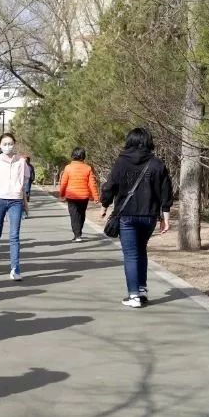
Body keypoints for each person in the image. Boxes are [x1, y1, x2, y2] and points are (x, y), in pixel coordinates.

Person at [100, 127, 173, 308]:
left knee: (131, 254)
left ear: (130, 141)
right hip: (149, 216)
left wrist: (105, 204)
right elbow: (166, 192)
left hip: (127, 216)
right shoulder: (157, 164)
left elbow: (110, 186)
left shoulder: (121, 162)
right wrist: (166, 217)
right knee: (141, 250)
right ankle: (141, 290)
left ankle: (134, 296)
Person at [0, 133, 30, 281]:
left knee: (14, 235)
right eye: (5, 144)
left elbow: (24, 183)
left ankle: (15, 268)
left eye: (10, 143)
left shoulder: (21, 162)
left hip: (15, 200)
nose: (8, 146)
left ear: (14, 144)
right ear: (0, 145)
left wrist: (25, 202)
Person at [59, 147, 100, 242]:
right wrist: (96, 197)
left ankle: (77, 235)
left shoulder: (68, 168)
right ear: (83, 156)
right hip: (84, 196)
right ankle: (79, 233)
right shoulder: (88, 168)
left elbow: (63, 183)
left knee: (74, 215)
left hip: (71, 196)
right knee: (81, 214)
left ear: (73, 155)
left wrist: (61, 194)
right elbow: (92, 184)